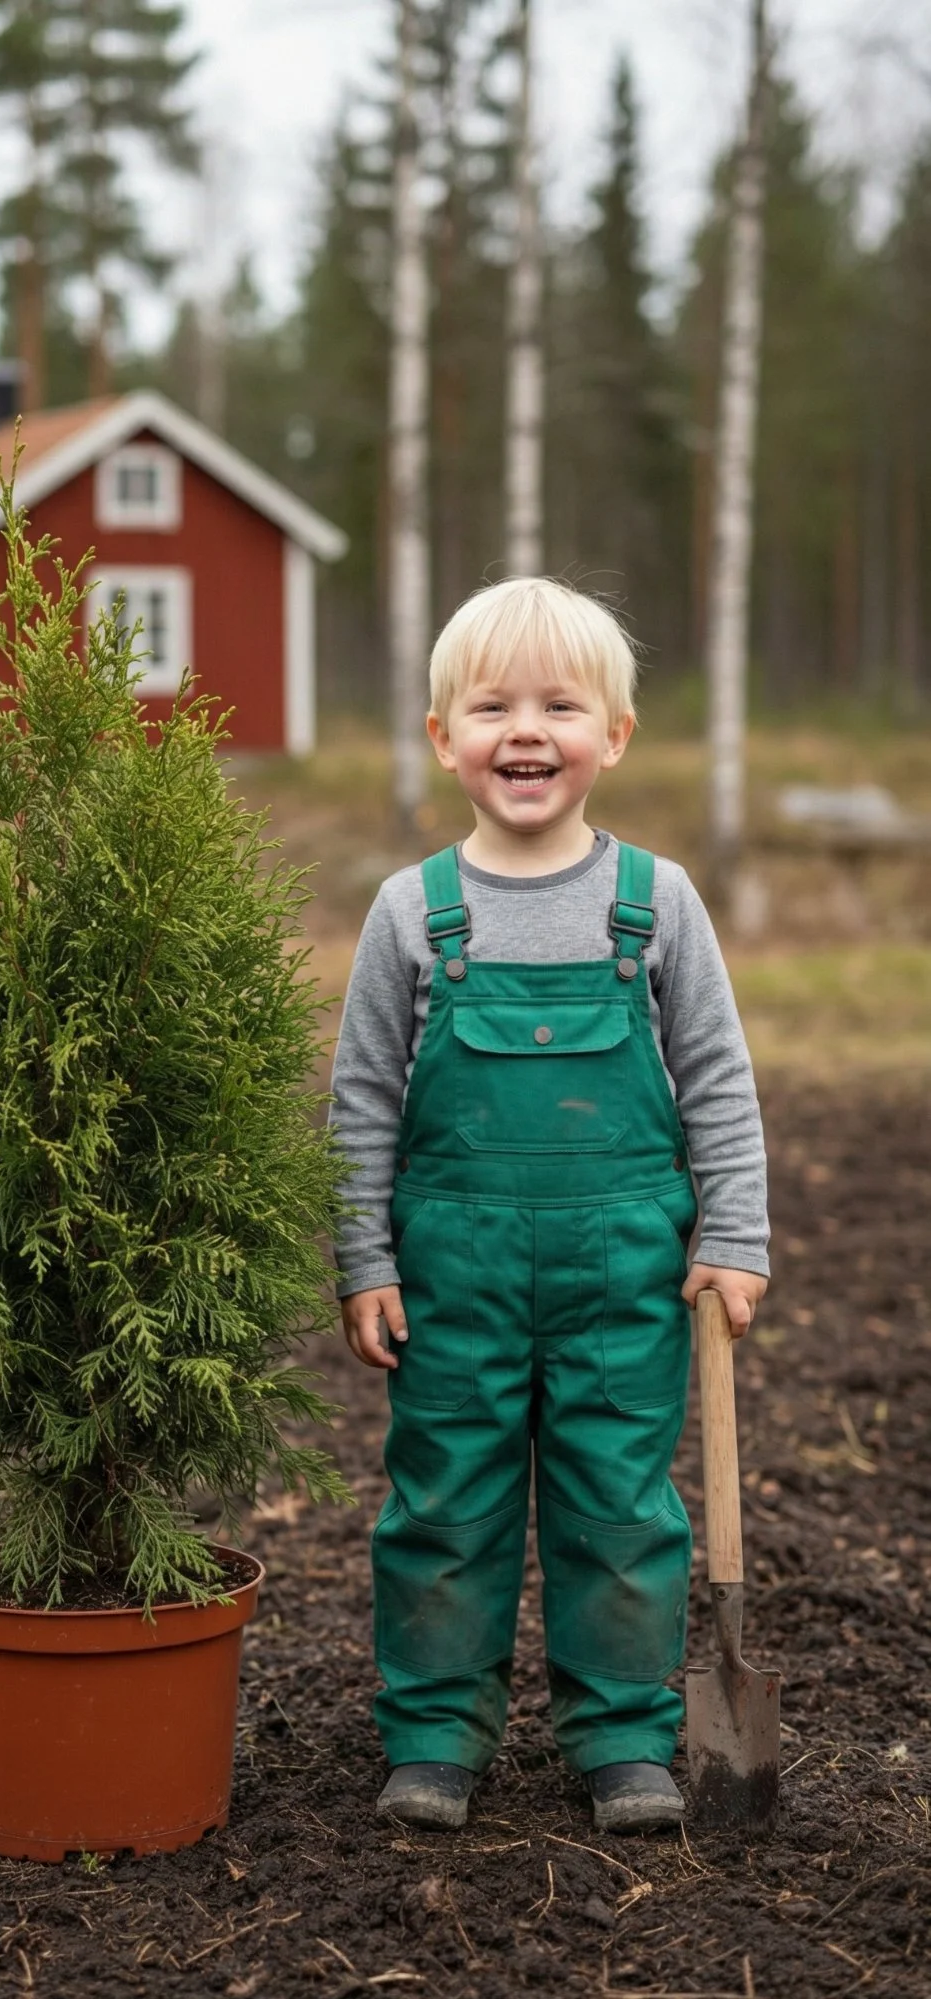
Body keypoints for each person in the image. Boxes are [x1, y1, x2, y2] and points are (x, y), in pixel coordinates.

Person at [331, 578, 769, 1835]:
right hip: (452, 1274)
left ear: (615, 735)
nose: (525, 730)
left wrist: (733, 1235)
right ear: (441, 737)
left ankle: (623, 1736)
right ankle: (432, 1734)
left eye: (560, 704)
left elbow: (719, 1083)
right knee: (444, 1504)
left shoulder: (659, 901)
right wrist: (362, 1252)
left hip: (622, 1271)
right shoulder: (414, 911)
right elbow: (360, 1098)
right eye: (491, 705)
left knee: (619, 1506)